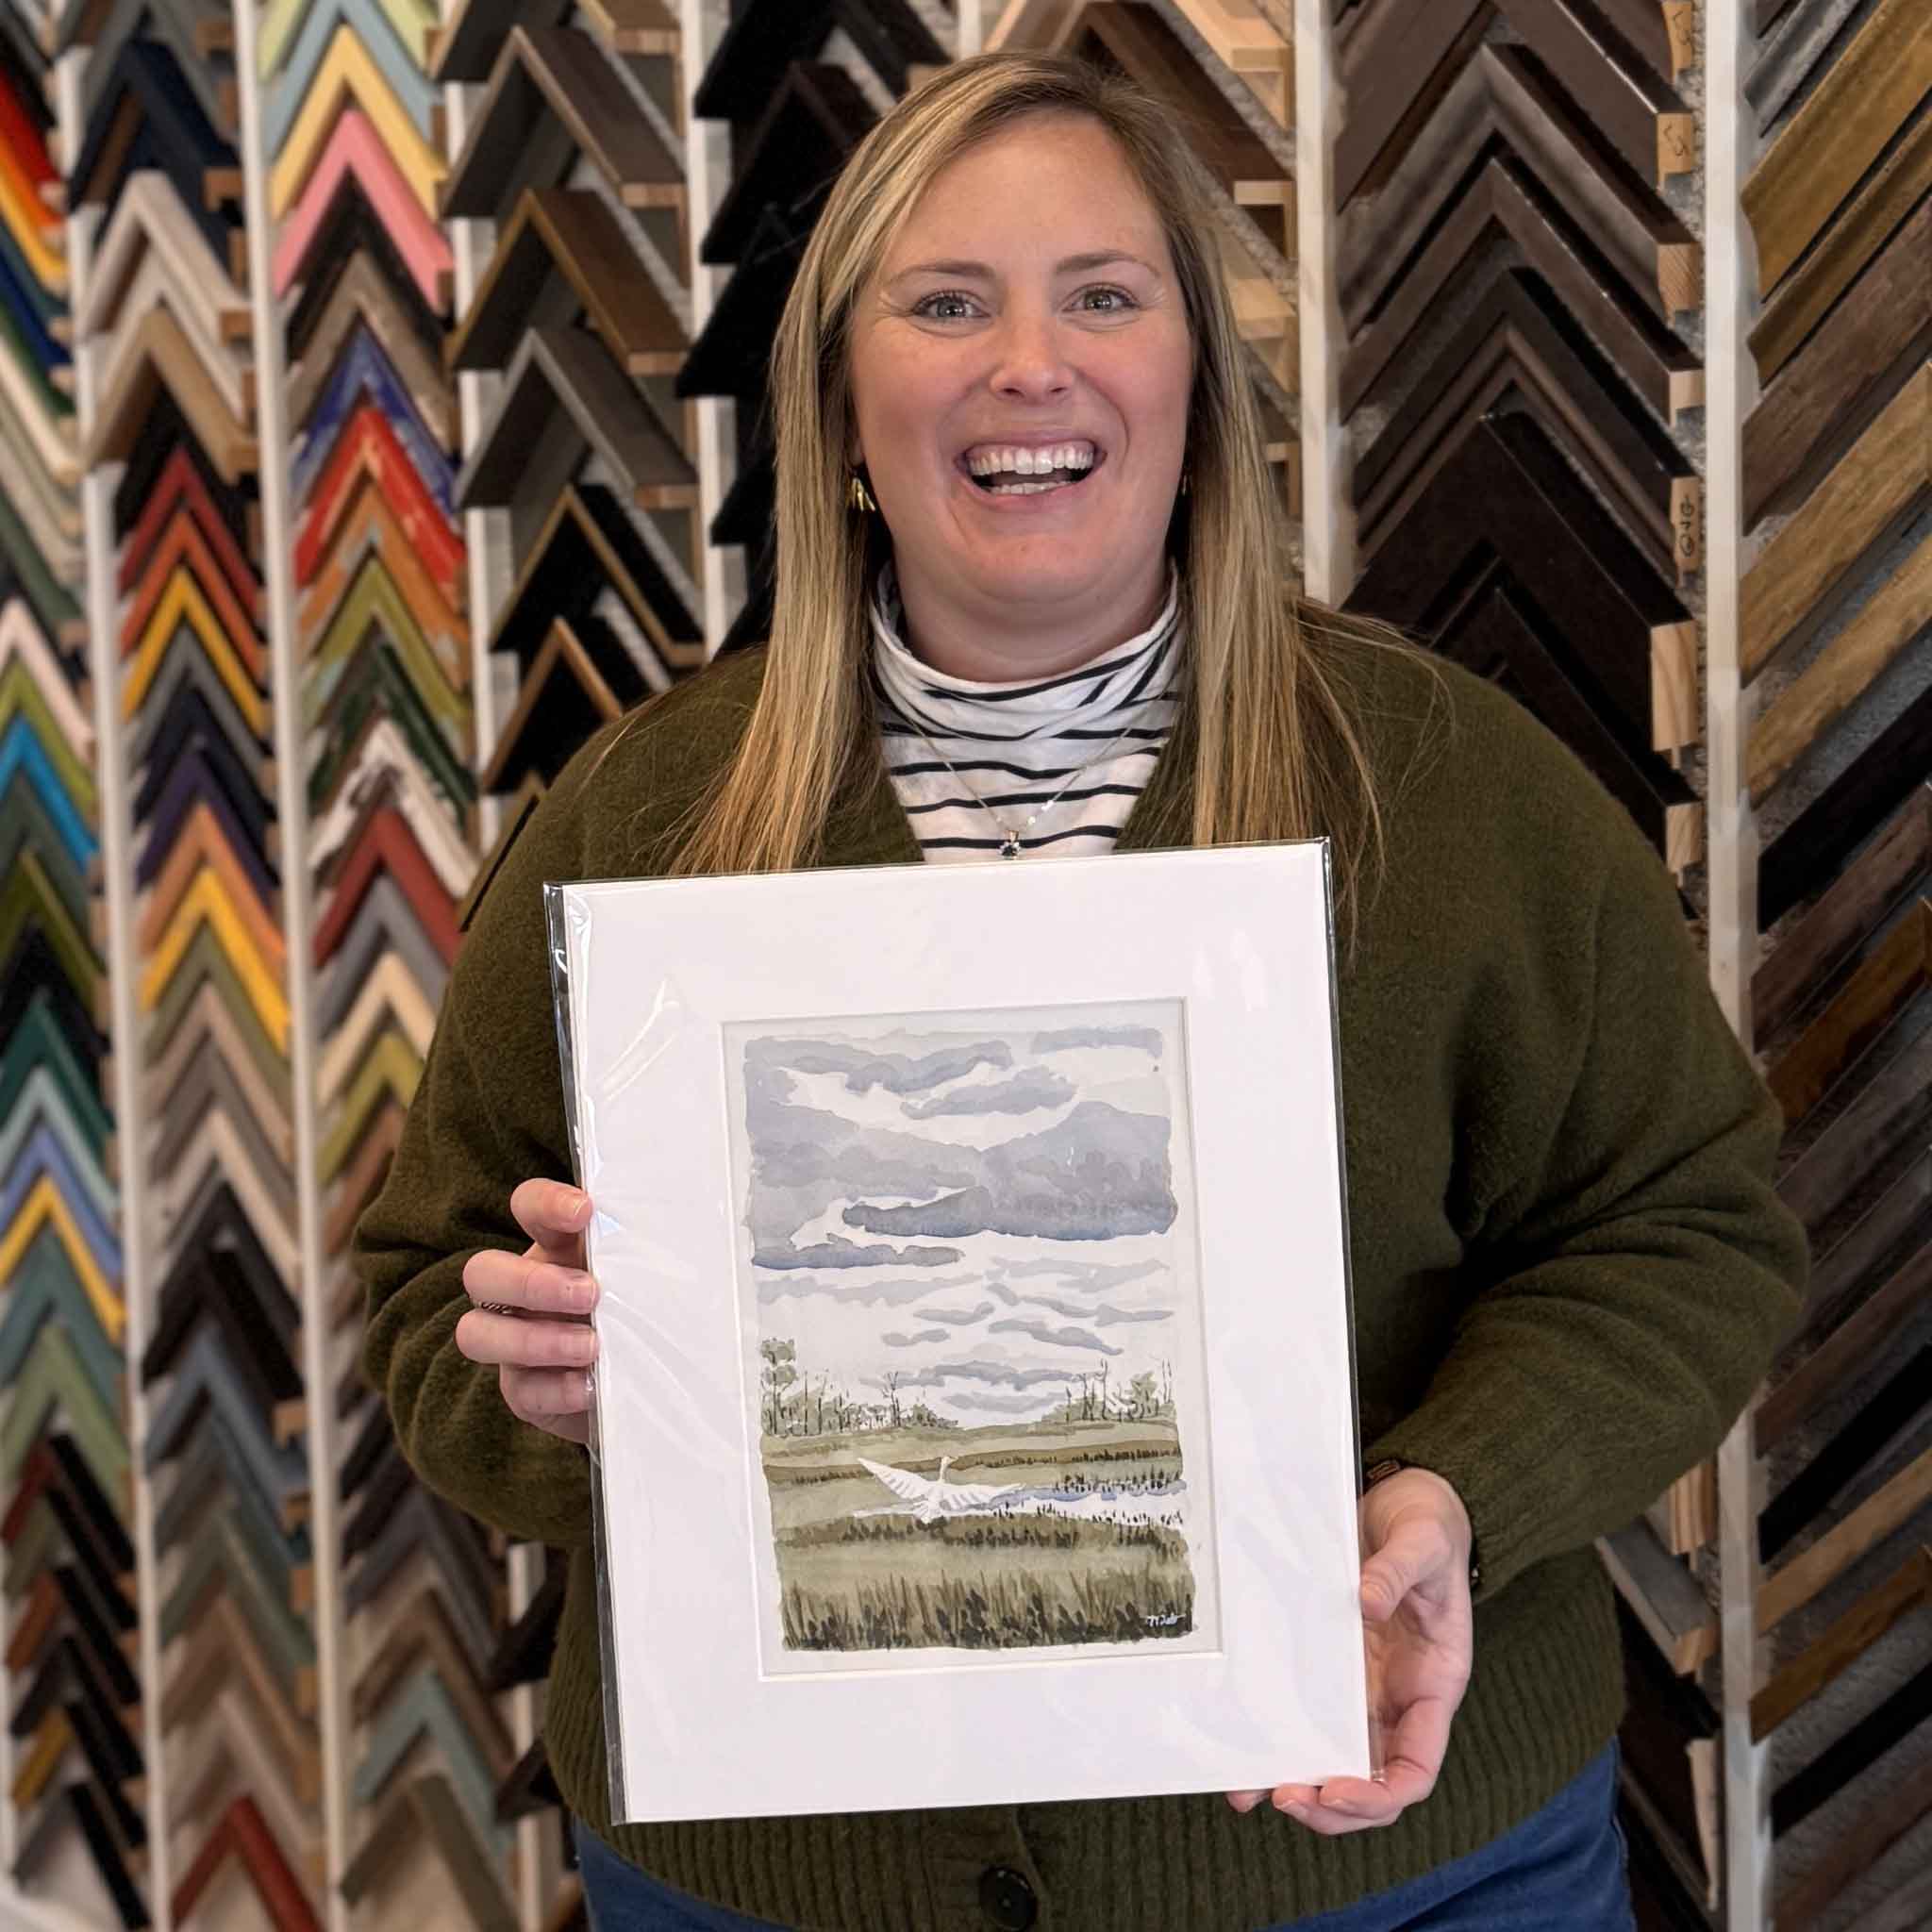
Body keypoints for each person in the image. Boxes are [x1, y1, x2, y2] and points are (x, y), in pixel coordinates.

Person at [354, 51, 1807, 1932]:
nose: (1027, 363)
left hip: (1386, 1869)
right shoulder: (640, 822)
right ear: (841, 400)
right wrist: (552, 1384)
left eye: (1101, 296)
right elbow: (425, 1295)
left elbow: (1687, 1232)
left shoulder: (1448, 787)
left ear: (1195, 383)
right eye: (944, 301)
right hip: (777, 1884)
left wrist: (1452, 1493)